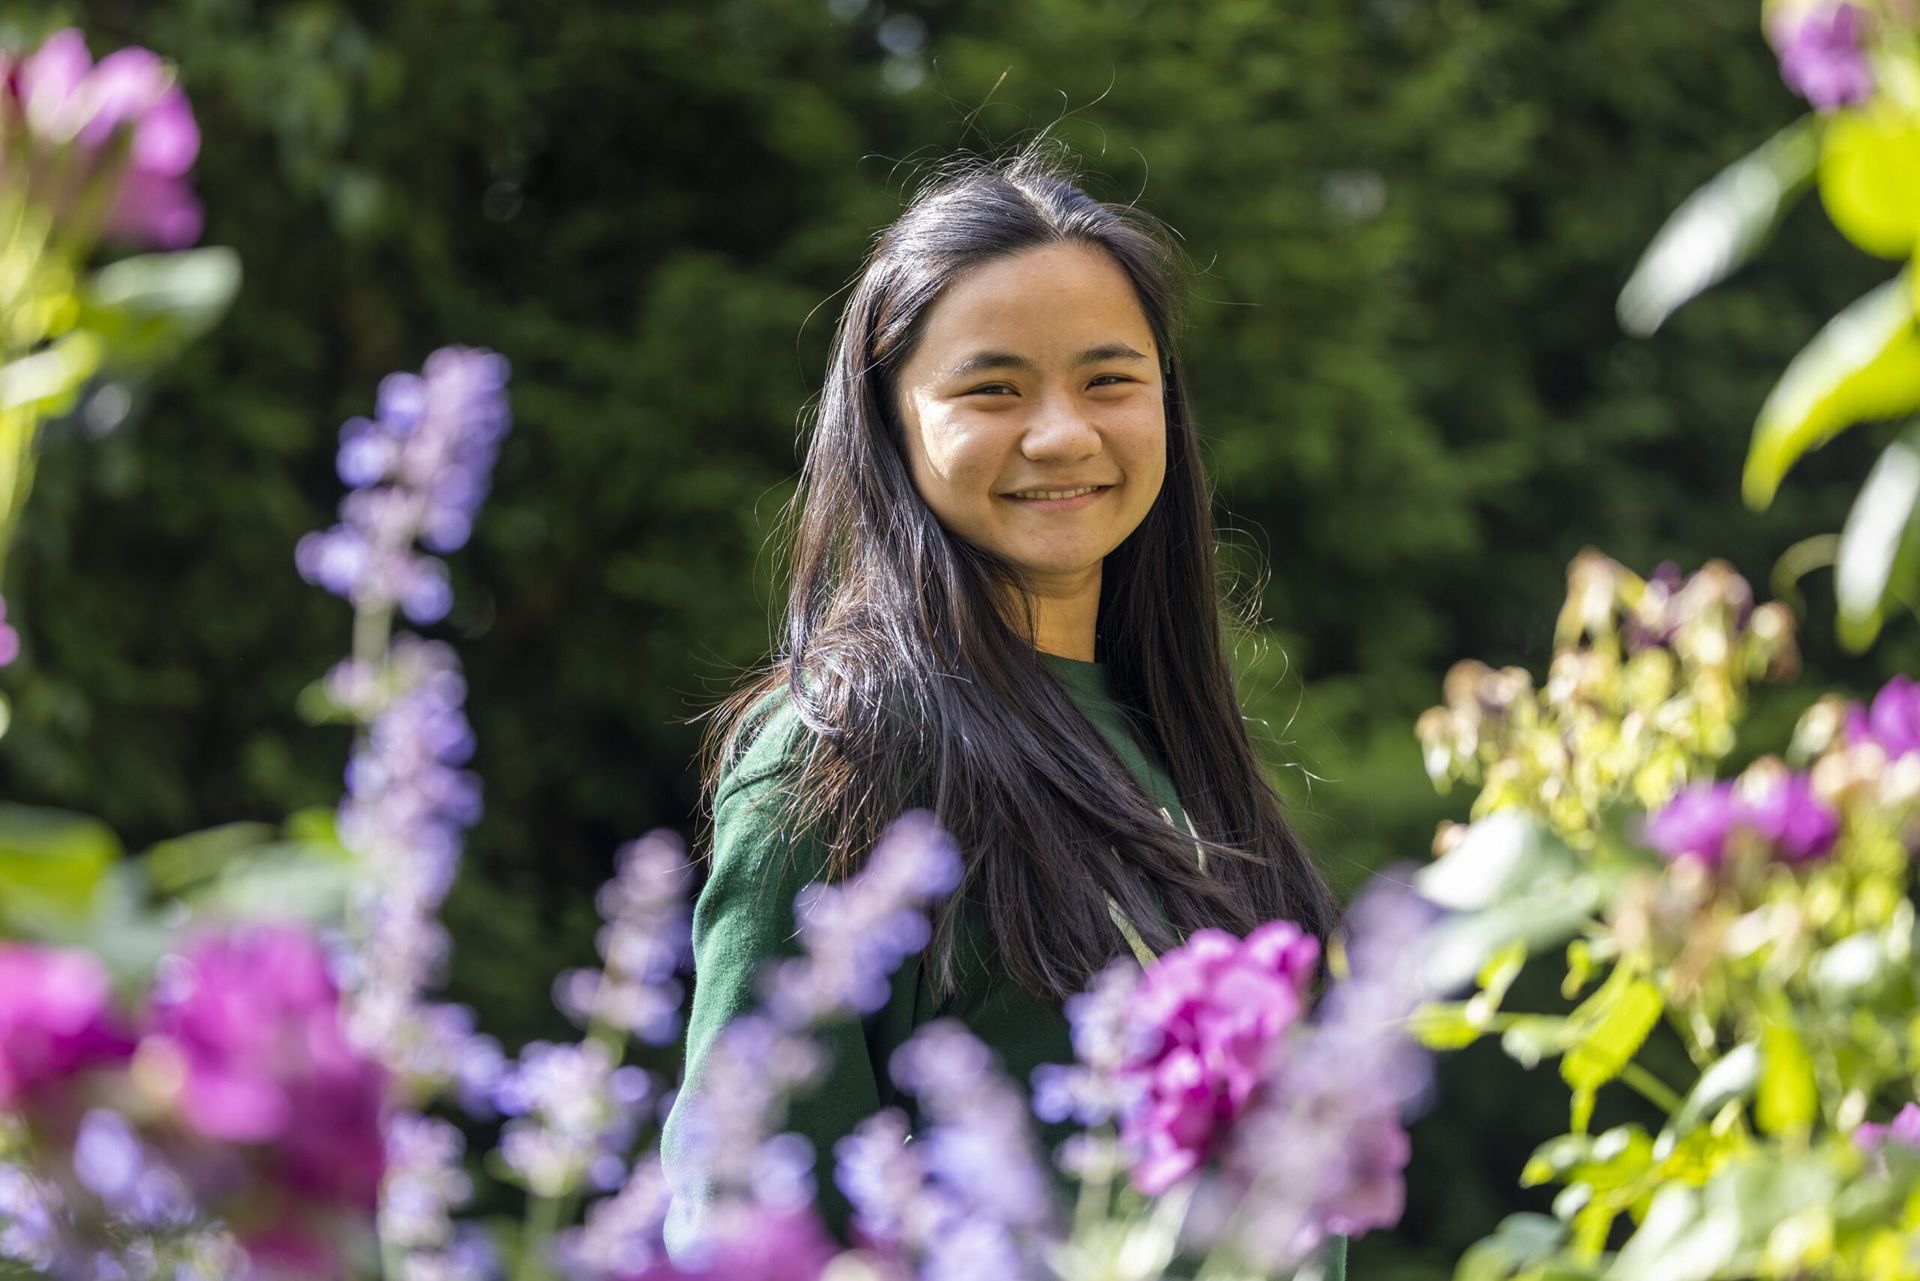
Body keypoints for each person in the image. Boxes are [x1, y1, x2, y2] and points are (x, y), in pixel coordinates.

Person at [661, 141, 1347, 1277]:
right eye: (992, 388)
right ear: (890, 419)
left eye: (1110, 380)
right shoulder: (837, 753)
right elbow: (740, 1209)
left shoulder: (1180, 750)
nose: (1063, 433)